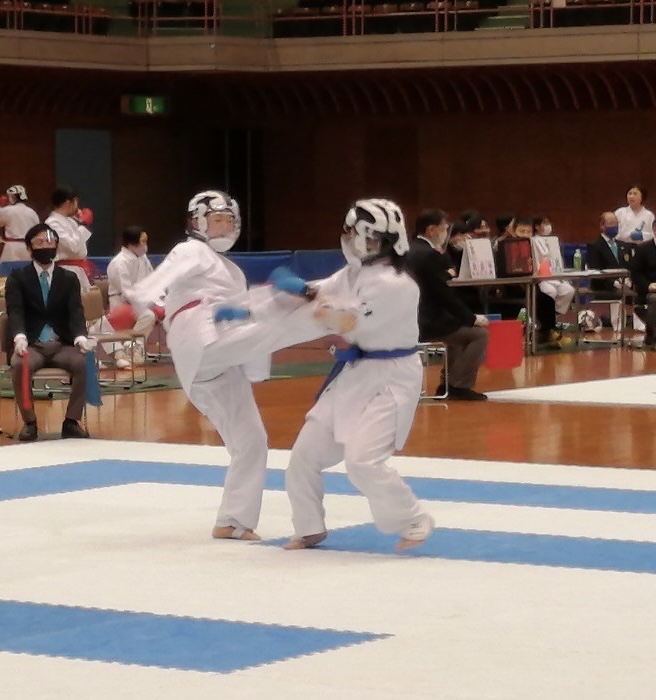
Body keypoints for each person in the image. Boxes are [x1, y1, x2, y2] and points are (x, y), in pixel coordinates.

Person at [123, 190, 319, 541]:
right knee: (277, 322)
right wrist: (150, 305)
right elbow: (154, 283)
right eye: (217, 221)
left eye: (229, 221)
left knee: (252, 441)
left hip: (219, 360)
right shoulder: (192, 250)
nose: (224, 227)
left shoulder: (232, 270)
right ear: (197, 223)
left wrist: (244, 309)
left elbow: (241, 313)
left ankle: (232, 521)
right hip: (198, 337)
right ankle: (322, 305)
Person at [280, 198, 435, 552]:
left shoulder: (397, 283)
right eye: (358, 236)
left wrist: (309, 301)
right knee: (304, 456)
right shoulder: (352, 274)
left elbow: (344, 320)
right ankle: (308, 527)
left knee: (363, 462)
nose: (360, 243)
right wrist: (294, 290)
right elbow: (324, 290)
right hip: (356, 372)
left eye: (370, 238)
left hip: (393, 377)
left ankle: (413, 518)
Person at [4, 223, 95, 441]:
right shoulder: (18, 277)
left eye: (50, 241)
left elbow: (76, 312)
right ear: (29, 248)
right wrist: (19, 337)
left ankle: (71, 421)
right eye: (40, 242)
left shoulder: (69, 278)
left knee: (85, 361)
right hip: (31, 344)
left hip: (61, 343)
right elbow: (15, 311)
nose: (46, 245)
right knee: (19, 364)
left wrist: (80, 337)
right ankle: (30, 422)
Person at [405, 208, 489, 401]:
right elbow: (444, 294)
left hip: (413, 316)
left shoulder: (412, 250)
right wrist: (472, 318)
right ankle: (459, 384)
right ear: (431, 230)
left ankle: (449, 383)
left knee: (457, 329)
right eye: (443, 227)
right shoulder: (428, 255)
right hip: (427, 319)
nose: (446, 231)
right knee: (478, 334)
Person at [91, 225, 159, 369]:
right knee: (147, 315)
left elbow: (152, 279)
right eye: (142, 242)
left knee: (152, 313)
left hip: (140, 301)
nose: (145, 245)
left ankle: (134, 346)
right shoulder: (119, 262)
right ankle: (120, 352)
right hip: (120, 302)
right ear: (132, 244)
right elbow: (126, 291)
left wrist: (156, 299)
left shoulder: (143, 258)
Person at [45, 186, 94, 289]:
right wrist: (84, 225)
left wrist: (80, 222)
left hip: (79, 268)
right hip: (65, 270)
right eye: (76, 202)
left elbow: (80, 245)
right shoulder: (51, 223)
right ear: (68, 203)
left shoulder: (71, 221)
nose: (78, 206)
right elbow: (73, 246)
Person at [0, 185, 40, 263]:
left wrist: (1, 206)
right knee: (28, 269)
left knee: (8, 270)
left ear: (12, 197)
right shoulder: (32, 212)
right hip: (29, 248)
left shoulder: (7, 211)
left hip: (12, 249)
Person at [630, 235, 656, 349]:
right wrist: (648, 285)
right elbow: (635, 274)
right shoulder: (643, 249)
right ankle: (653, 335)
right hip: (650, 290)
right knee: (655, 299)